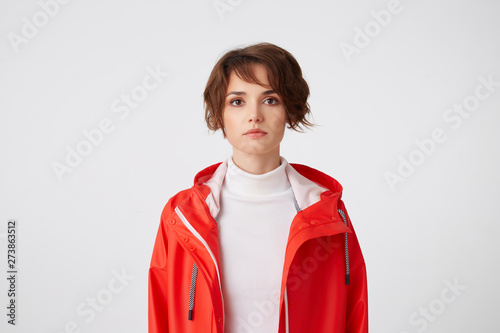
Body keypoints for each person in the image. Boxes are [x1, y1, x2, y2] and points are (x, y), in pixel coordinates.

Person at [148, 42, 368, 333]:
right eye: (237, 101)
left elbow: (353, 313)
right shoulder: (183, 215)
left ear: (290, 110)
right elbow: (161, 315)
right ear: (220, 115)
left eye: (270, 100)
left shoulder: (327, 212)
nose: (254, 115)